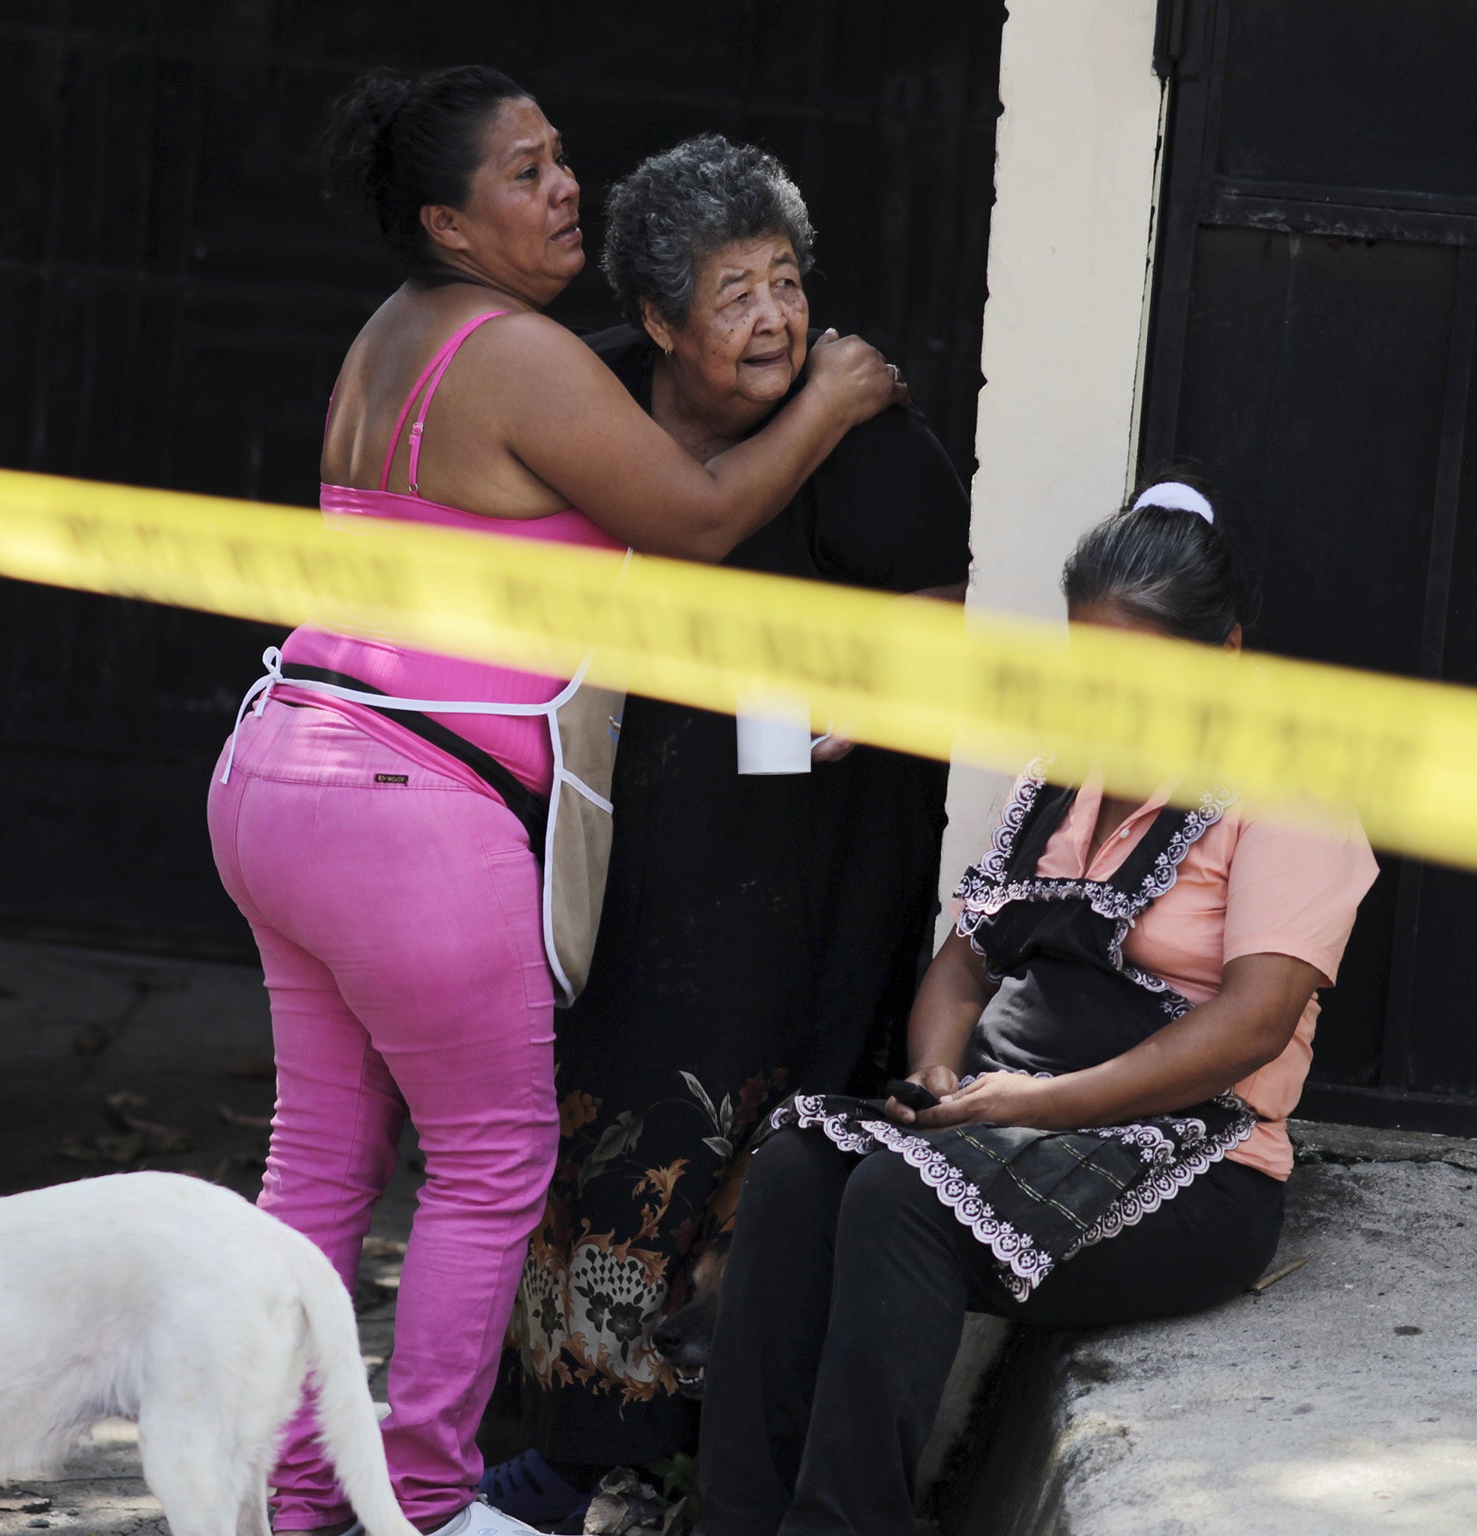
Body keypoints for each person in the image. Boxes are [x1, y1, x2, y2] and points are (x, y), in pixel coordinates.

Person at [205, 70, 904, 1536]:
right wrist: (832, 397)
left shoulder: (387, 340)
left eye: (560, 157)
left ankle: (288, 1501)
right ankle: (427, 1497)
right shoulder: (515, 351)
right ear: (451, 222)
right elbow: (703, 517)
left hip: (283, 765)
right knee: (492, 1164)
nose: (565, 187)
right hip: (410, 805)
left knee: (324, 1157)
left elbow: (624, 501)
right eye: (526, 175)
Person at [693, 480, 1381, 1536]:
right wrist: (936, 1070)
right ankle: (733, 1517)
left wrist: (1042, 1105)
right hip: (999, 1118)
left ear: (1226, 654)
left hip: (1186, 1162)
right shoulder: (1063, 778)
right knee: (795, 1169)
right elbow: (964, 964)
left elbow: (1250, 1022)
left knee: (897, 1198)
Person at [485, 133, 971, 1522]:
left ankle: (701, 1464)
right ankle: (580, 1449)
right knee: (590, 1115)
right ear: (654, 320)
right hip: (617, 837)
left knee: (756, 1129)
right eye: (732, 291)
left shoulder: (861, 426)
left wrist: (871, 693)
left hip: (797, 855)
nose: (773, 319)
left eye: (784, 281)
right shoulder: (586, 390)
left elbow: (939, 605)